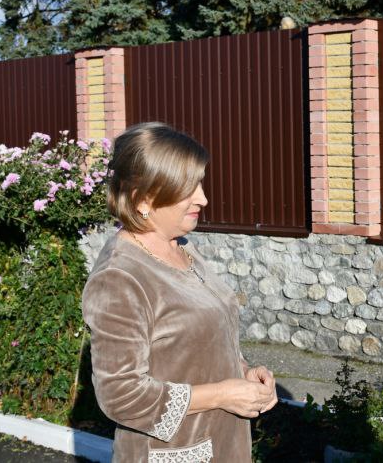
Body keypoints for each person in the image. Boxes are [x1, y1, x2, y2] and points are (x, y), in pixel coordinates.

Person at [83, 122, 277, 462]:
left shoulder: (183, 247)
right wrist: (220, 394)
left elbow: (193, 344)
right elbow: (120, 395)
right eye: (188, 188)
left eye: (199, 183)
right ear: (143, 199)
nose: (203, 197)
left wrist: (243, 372)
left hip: (225, 444)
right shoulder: (119, 277)